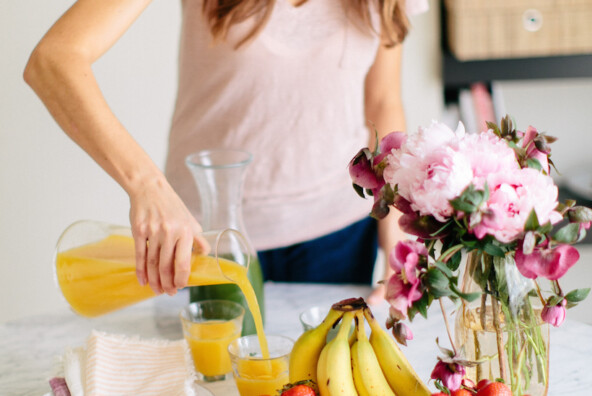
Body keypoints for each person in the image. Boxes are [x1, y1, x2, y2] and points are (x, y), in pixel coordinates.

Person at [24, 0, 427, 304]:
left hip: (340, 234)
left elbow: (382, 101)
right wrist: (146, 186)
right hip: (205, 238)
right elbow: (54, 60)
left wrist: (397, 230)